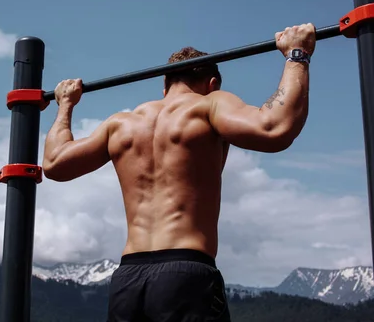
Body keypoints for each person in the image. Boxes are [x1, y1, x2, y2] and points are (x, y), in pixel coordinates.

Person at [42, 23, 316, 322]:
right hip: (185, 272)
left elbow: (55, 164)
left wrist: (65, 105)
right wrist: (297, 55)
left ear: (165, 86)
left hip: (128, 279)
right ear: (212, 83)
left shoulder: (120, 123)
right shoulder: (208, 105)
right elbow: (275, 128)